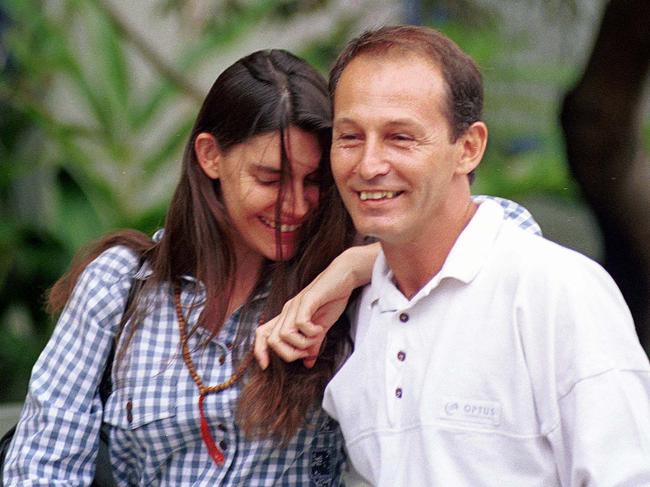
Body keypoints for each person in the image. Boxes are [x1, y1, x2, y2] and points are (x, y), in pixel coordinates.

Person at [256, 26, 650, 486]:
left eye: (400, 137)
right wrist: (349, 269)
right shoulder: (353, 314)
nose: (368, 164)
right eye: (349, 137)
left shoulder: (557, 292)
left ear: (468, 148)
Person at [4, 49, 367, 486]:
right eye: (270, 179)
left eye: (313, 181)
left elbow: (461, 243)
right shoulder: (119, 285)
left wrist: (352, 268)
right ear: (210, 156)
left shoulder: (345, 293)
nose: (295, 205)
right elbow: (43, 466)